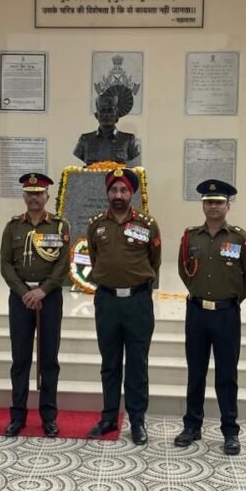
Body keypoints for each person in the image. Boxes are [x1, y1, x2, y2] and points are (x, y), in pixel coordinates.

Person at [175, 179, 246, 455]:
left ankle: (230, 430)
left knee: (227, 374)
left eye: (218, 202)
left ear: (228, 205)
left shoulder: (240, 238)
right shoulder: (190, 237)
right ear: (203, 205)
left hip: (226, 314)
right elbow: (183, 269)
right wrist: (199, 294)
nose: (213, 206)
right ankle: (192, 425)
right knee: (195, 372)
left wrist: (231, 299)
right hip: (197, 312)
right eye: (209, 202)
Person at [85, 168, 161, 444]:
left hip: (138, 302)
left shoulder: (147, 224)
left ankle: (137, 421)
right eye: (114, 190)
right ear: (107, 193)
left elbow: (155, 260)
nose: (118, 195)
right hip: (107, 301)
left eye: (124, 190)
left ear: (132, 193)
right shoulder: (96, 225)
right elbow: (95, 258)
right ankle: (108, 417)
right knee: (110, 362)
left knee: (138, 362)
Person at [0, 173, 70, 437]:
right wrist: (23, 291)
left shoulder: (60, 227)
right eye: (29, 193)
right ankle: (17, 415)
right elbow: (5, 264)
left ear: (47, 196)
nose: (34, 198)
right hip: (20, 299)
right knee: (20, 359)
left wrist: (43, 290)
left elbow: (63, 263)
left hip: (49, 299)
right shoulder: (13, 227)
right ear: (24, 196)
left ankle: (48, 416)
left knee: (49, 358)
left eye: (39, 193)